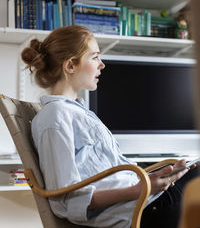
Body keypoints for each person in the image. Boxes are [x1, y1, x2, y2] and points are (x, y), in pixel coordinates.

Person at [21, 25, 198, 228]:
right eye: (95, 57)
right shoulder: (55, 116)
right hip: (139, 210)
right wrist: (141, 189)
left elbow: (110, 174)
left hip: (144, 199)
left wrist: (152, 180)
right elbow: (65, 201)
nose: (102, 65)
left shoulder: (79, 112)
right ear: (70, 65)